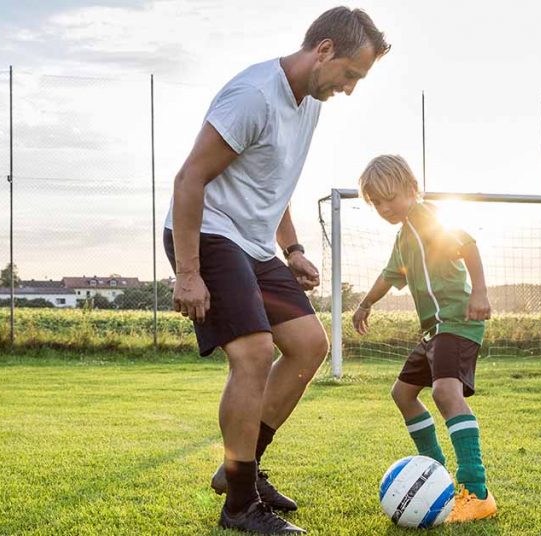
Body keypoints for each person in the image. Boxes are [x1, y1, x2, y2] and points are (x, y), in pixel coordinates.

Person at [165, 6, 389, 534]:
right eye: (351, 75)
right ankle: (240, 506)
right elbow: (188, 180)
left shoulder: (309, 100)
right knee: (254, 352)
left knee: (311, 345)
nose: (351, 89)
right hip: (208, 232)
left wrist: (291, 249)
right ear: (325, 50)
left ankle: (238, 469)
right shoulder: (254, 96)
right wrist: (189, 273)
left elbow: (274, 184)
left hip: (257, 244)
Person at [351, 155, 497, 523]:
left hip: (457, 321)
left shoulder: (426, 218)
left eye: (391, 197)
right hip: (433, 329)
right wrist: (366, 303)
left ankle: (476, 491)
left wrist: (479, 292)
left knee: (445, 392)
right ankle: (436, 472)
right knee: (402, 394)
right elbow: (389, 275)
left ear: (412, 189)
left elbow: (469, 245)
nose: (385, 208)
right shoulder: (404, 236)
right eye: (377, 202)